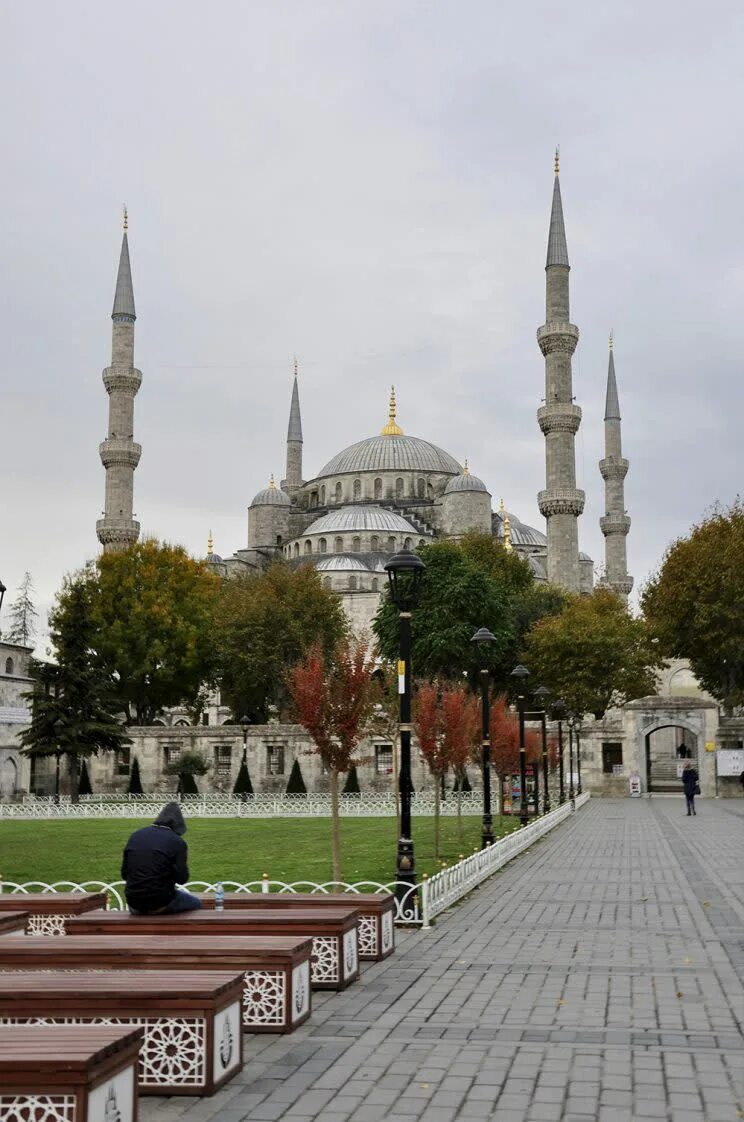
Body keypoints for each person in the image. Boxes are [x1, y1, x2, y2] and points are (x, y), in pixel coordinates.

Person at [121, 802, 202, 914]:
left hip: (133, 902)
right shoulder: (177, 842)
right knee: (196, 903)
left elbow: (124, 874)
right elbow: (182, 879)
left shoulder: (136, 835)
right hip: (160, 902)